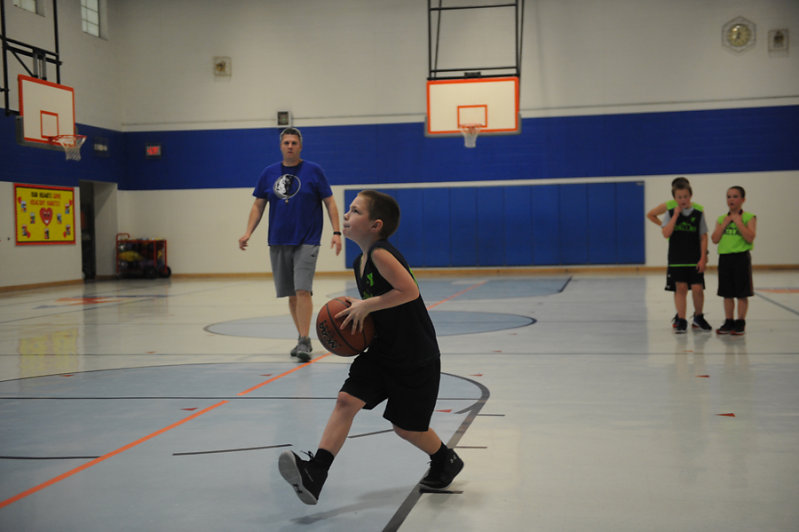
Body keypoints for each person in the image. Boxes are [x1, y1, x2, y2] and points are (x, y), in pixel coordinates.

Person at [278, 190, 463, 505]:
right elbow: (382, 303)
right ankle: (315, 472)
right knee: (346, 401)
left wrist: (367, 304)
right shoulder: (359, 261)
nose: (346, 215)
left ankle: (445, 460)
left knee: (407, 429)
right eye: (348, 209)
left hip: (414, 355)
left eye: (355, 210)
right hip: (382, 350)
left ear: (375, 225)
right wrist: (360, 306)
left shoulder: (380, 253)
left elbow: (409, 291)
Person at [238, 127, 342, 362]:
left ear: (300, 146)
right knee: (292, 294)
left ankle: (304, 339)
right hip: (278, 240)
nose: (290, 146)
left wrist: (336, 232)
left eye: (294, 142)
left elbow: (330, 202)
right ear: (281, 146)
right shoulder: (268, 173)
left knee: (302, 289)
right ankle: (302, 337)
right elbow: (258, 205)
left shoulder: (314, 171)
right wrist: (248, 232)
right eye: (286, 142)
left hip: (307, 239)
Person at [648, 177, 712, 331]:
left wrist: (703, 257)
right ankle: (681, 318)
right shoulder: (670, 211)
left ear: (690, 195)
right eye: (679, 197)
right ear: (674, 197)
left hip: (694, 256)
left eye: (685, 196)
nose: (683, 199)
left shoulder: (698, 211)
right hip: (677, 257)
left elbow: (703, 236)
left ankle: (698, 317)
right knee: (680, 288)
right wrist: (674, 217)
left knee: (697, 288)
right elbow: (665, 233)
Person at [711, 186, 756, 335]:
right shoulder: (721, 219)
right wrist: (724, 224)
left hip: (741, 258)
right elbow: (714, 239)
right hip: (725, 258)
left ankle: (740, 321)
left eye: (735, 196)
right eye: (729, 196)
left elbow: (750, 237)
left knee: (742, 292)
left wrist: (738, 222)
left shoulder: (749, 217)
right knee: (727, 292)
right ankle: (728, 321)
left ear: (743, 200)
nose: (731, 199)